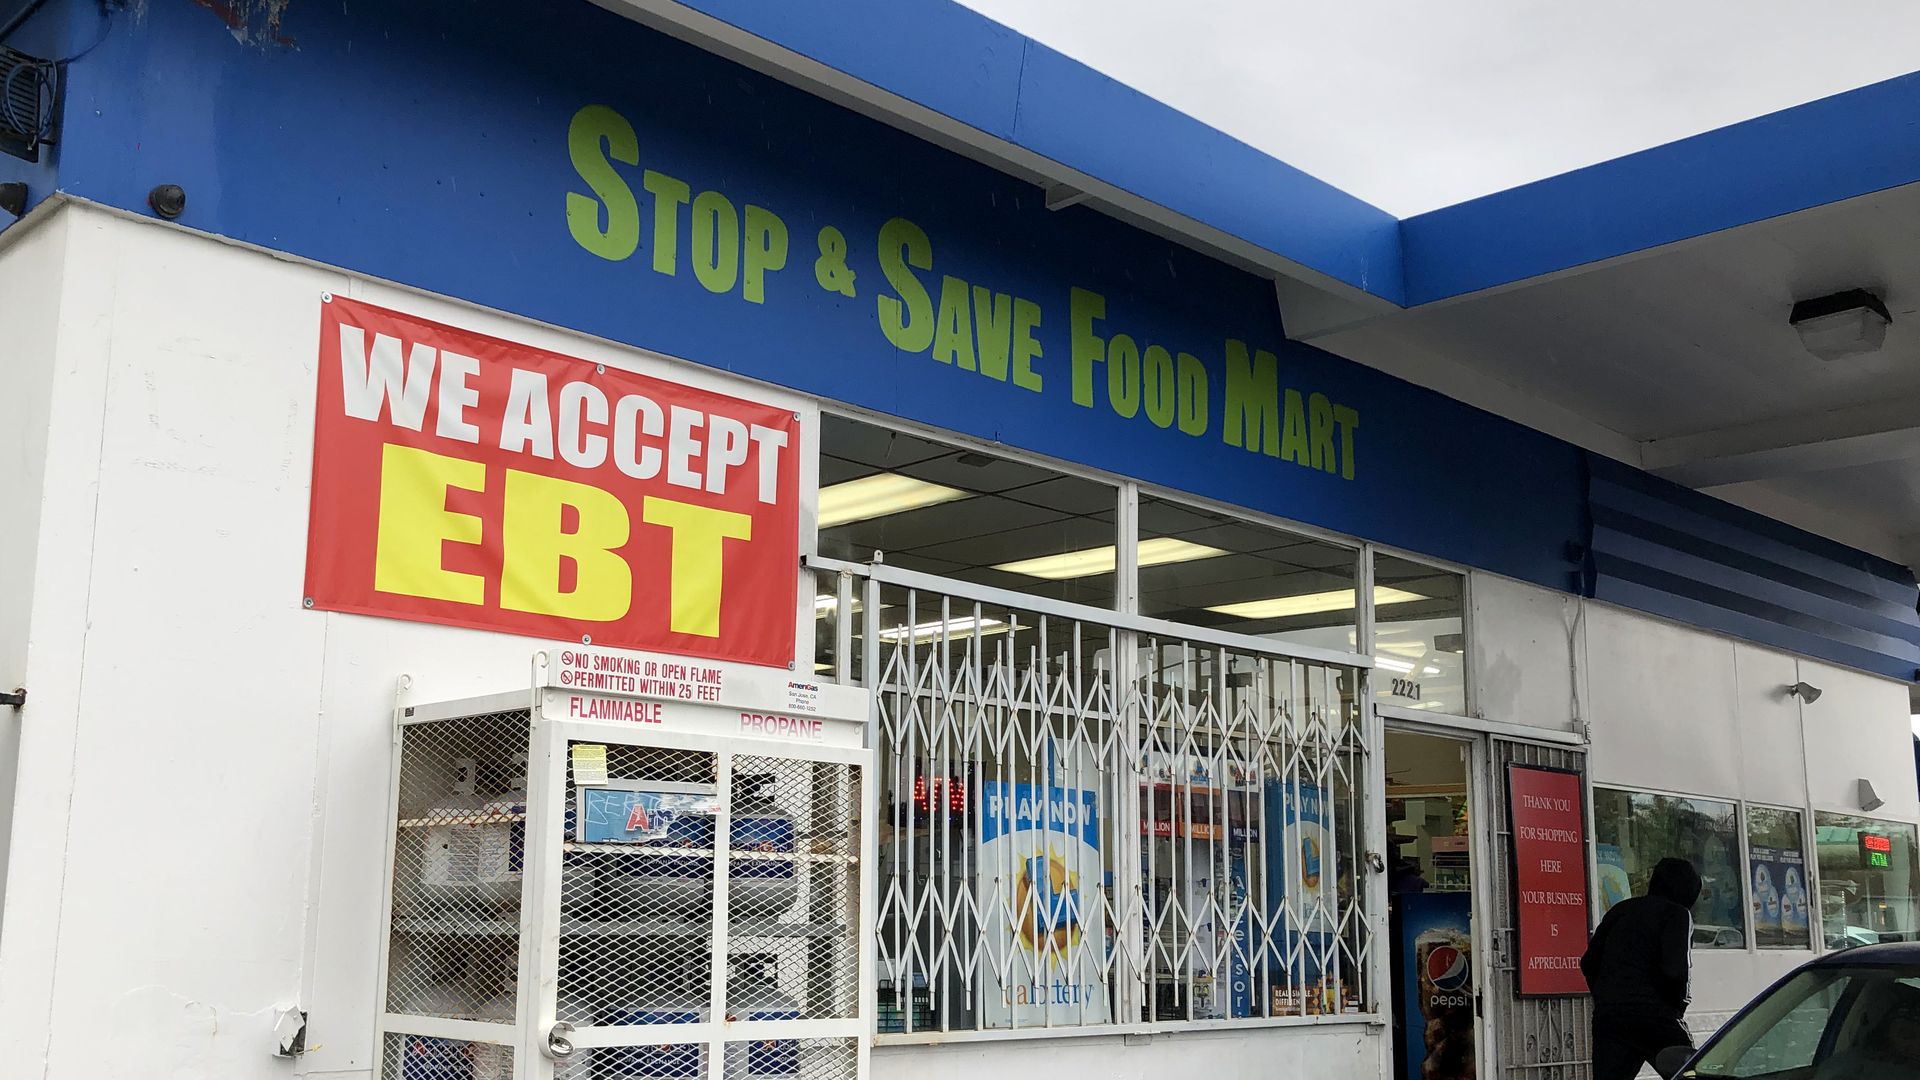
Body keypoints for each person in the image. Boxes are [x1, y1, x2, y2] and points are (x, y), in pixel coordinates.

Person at [1581, 858, 1702, 1080]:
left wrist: (1606, 998)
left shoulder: (1620, 910)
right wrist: (1675, 1008)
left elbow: (1588, 962)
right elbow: (1676, 971)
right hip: (1655, 1016)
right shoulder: (1677, 914)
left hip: (1611, 1016)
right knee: (1689, 1073)